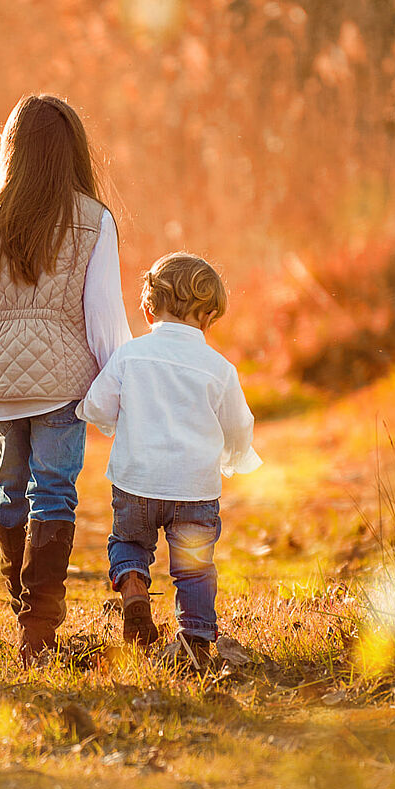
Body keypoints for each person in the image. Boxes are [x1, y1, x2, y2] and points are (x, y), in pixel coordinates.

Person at [0, 94, 131, 665]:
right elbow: (105, 316)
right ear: (72, 149)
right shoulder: (93, 219)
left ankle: (23, 600)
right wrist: (120, 387)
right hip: (62, 385)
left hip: (0, 383)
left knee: (11, 487)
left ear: (12, 149)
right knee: (54, 491)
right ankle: (40, 623)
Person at [75, 252, 261, 670]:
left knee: (128, 542)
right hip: (194, 488)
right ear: (210, 317)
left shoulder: (129, 355)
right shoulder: (220, 369)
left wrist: (117, 422)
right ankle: (194, 639)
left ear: (147, 308)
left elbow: (99, 405)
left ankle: (135, 591)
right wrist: (231, 458)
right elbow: (238, 425)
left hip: (135, 481)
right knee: (194, 568)